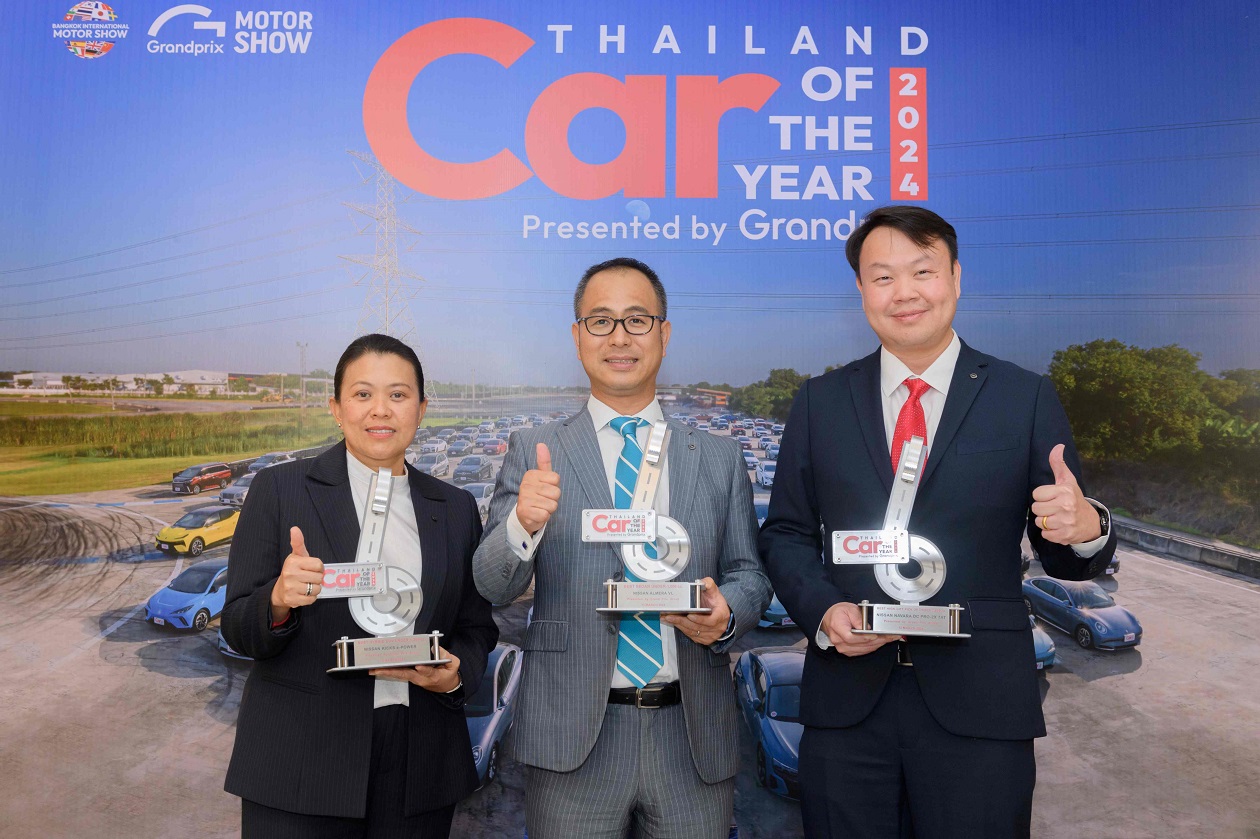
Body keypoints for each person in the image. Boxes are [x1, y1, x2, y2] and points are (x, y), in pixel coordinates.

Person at [759, 206, 1117, 839]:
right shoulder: (820, 402)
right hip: (848, 705)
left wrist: (1085, 526)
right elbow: (786, 532)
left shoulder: (1023, 396)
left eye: (922, 271)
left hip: (981, 704)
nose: (904, 292)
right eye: (883, 277)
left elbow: (1063, 554)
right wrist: (823, 611)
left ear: (955, 276)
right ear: (862, 290)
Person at [472, 257, 771, 839]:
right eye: (600, 321)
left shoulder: (718, 458)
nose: (619, 338)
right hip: (571, 737)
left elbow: (750, 574)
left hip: (691, 736)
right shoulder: (535, 449)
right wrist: (522, 525)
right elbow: (493, 585)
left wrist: (728, 610)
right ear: (577, 335)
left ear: (664, 332)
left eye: (637, 320)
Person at [221, 333, 498, 839]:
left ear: (421, 408)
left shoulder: (455, 507)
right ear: (336, 407)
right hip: (301, 760)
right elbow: (238, 627)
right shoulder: (280, 490)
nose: (381, 410)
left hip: (420, 761)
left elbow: (476, 627)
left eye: (398, 394)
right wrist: (277, 601)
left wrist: (456, 677)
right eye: (362, 393)